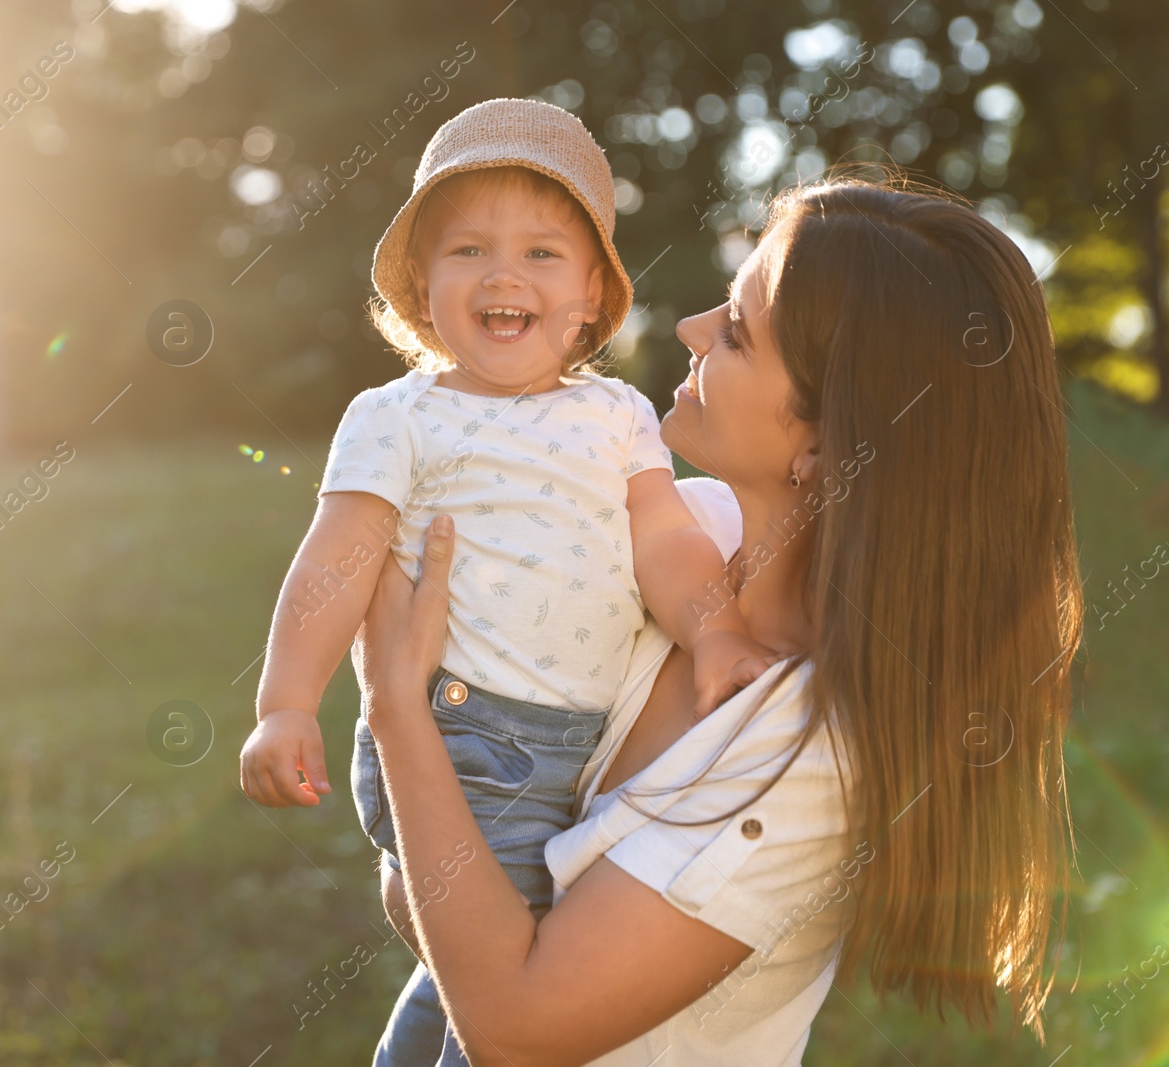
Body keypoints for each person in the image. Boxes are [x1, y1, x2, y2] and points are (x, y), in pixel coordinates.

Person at [351, 176, 1083, 1066]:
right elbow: (432, 887)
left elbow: (515, 1026)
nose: (692, 328)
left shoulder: (814, 753)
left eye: (736, 332)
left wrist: (397, 710)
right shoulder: (679, 537)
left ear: (824, 442)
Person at [240, 97, 776, 1064]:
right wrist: (286, 703)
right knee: (518, 977)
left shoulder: (617, 413)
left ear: (590, 299)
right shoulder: (399, 415)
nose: (502, 273)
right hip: (461, 727)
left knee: (475, 963)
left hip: (573, 742)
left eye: (541, 254)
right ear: (420, 286)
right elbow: (336, 558)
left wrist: (720, 631)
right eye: (467, 251)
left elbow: (665, 540)